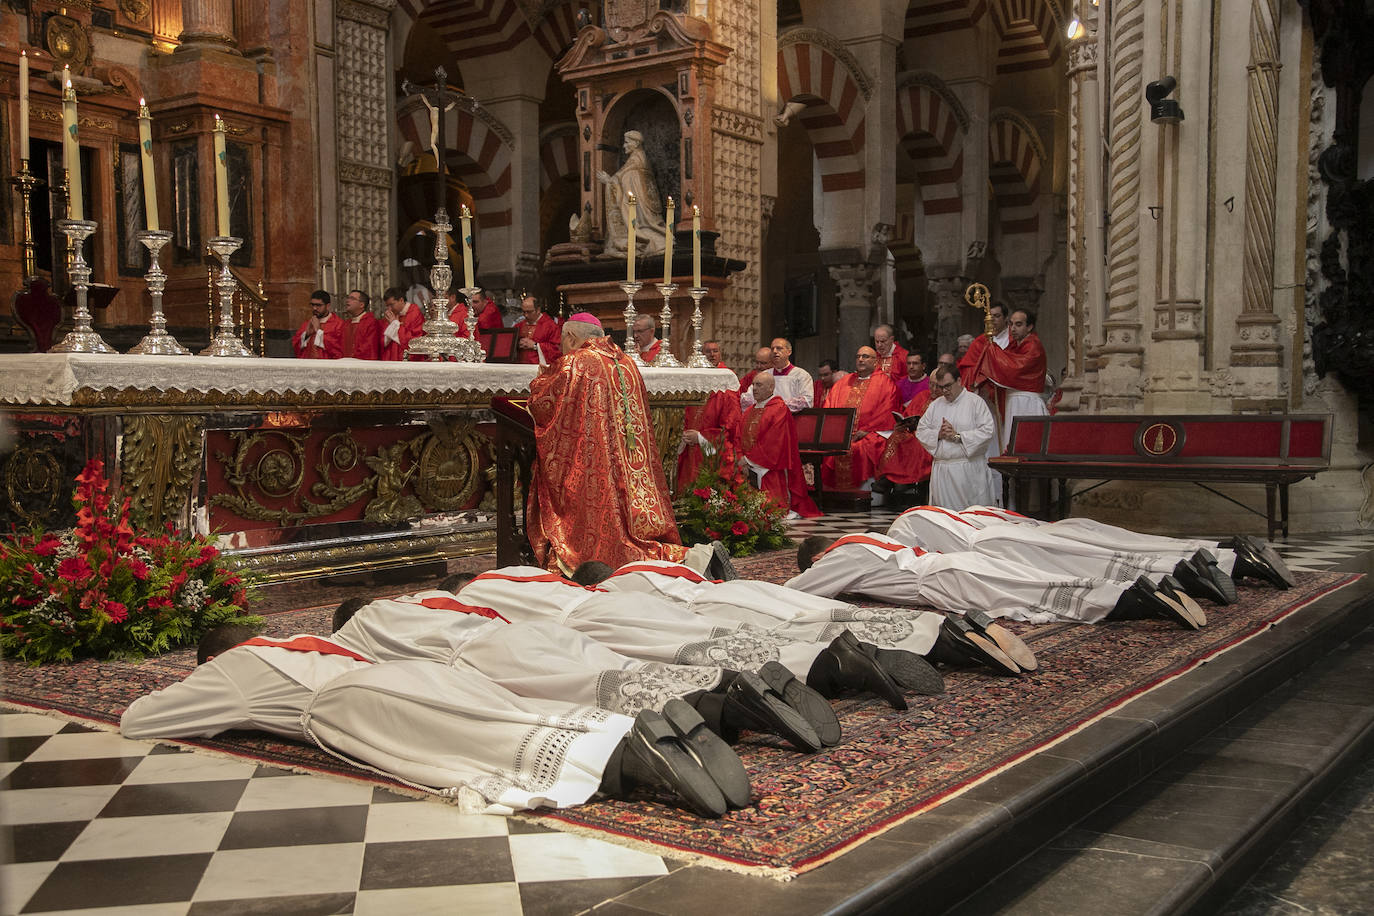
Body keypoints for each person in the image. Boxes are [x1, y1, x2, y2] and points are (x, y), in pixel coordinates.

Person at [121, 625, 742, 818]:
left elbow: (139, 720)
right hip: (415, 673)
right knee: (507, 713)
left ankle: (631, 759)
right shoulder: (313, 640)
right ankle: (636, 729)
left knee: (485, 743)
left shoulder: (234, 666)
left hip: (354, 704)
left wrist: (212, 696)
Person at [331, 592, 823, 762]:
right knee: (626, 670)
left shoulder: (360, 624)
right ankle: (730, 684)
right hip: (529, 631)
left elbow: (362, 667)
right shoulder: (418, 601)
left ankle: (729, 708)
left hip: (490, 653)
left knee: (602, 691)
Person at [526, 313, 687, 572]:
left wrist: (541, 380)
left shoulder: (576, 362)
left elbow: (544, 405)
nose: (562, 348)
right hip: (629, 456)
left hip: (595, 458)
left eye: (562, 341)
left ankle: (601, 555)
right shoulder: (626, 362)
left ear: (570, 337)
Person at [787, 533, 1208, 631]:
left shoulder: (840, 556)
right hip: (956, 561)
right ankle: (1147, 588)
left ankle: (1136, 600)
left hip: (945, 581)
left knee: (1033, 597)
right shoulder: (869, 538)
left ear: (820, 555)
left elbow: (799, 591)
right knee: (1040, 582)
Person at [886, 505, 1239, 605]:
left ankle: (1179, 575)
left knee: (1099, 564)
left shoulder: (908, 526)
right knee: (1122, 546)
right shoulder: (975, 512)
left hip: (1010, 547)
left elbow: (916, 559)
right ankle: (1212, 558)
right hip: (1041, 530)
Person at [962, 307, 1049, 449]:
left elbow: (1013, 369)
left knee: (1026, 446)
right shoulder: (1015, 346)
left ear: (1030, 327)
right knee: (1012, 445)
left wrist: (992, 349)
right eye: (1011, 324)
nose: (1013, 328)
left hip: (1027, 403)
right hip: (1014, 401)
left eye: (1019, 324)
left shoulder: (1033, 346)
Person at [738, 373, 822, 518]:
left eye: (759, 385)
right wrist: (740, 457)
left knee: (769, 510)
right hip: (746, 465)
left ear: (771, 387)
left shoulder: (779, 409)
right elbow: (738, 436)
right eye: (753, 385)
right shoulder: (749, 411)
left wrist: (748, 460)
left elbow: (773, 442)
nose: (754, 389)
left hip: (768, 467)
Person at [821, 346, 902, 490]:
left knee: (860, 448)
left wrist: (867, 431)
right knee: (834, 449)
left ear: (875, 361)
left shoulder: (885, 383)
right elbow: (829, 407)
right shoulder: (844, 382)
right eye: (858, 356)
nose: (860, 359)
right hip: (842, 436)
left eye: (865, 356)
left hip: (869, 434)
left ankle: (862, 493)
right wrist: (838, 433)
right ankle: (834, 494)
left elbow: (887, 412)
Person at [916, 365, 996, 509]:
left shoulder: (975, 402)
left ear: (959, 381)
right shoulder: (936, 405)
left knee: (970, 518)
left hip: (968, 470)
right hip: (942, 470)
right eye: (941, 387)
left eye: (948, 386)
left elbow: (987, 431)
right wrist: (938, 434)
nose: (945, 391)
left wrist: (958, 436)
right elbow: (921, 430)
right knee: (945, 520)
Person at [596, 130, 668, 256]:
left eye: (626, 142)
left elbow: (623, 184)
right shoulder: (639, 160)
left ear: (635, 143)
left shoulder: (634, 166)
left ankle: (642, 238)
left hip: (642, 219)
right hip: (646, 216)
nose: (624, 146)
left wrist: (609, 181)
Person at [676, 366, 742, 497]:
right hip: (689, 455)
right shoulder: (693, 395)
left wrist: (700, 438)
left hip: (711, 456)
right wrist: (683, 436)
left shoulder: (725, 397)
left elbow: (728, 430)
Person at [742, 338, 813, 412]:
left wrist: (775, 406)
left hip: (792, 419)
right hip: (766, 418)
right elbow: (746, 400)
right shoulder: (764, 375)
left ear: (789, 351)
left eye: (779, 348)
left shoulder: (801, 375)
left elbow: (807, 401)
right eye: (772, 349)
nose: (775, 351)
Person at [293, 290, 344, 359]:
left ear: (328, 306)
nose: (314, 308)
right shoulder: (307, 323)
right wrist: (306, 335)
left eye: (318, 305)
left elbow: (338, 349)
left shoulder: (338, 324)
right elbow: (295, 346)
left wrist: (318, 331)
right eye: (312, 305)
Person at [381, 285, 426, 360]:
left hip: (407, 358)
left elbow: (415, 339)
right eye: (387, 306)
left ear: (401, 300)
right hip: (392, 357)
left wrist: (394, 324)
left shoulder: (414, 313)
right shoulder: (391, 314)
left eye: (391, 305)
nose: (389, 309)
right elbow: (383, 341)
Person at [514, 294, 561, 365]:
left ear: (538, 310)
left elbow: (557, 349)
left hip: (539, 367)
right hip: (520, 365)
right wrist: (516, 344)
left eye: (529, 312)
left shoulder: (550, 326)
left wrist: (535, 345)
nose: (525, 315)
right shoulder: (518, 326)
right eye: (523, 312)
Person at [340, 289, 381, 360]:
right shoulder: (346, 324)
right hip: (345, 364)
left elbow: (369, 348)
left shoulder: (371, 323)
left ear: (361, 305)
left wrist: (352, 360)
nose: (347, 301)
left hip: (362, 365)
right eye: (348, 298)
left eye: (352, 298)